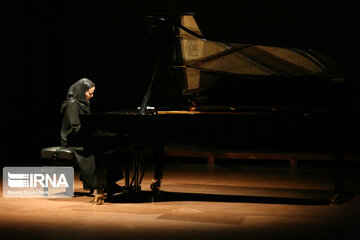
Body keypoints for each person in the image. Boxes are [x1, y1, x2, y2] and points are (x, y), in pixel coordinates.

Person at [60, 78, 122, 203]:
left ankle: (108, 183)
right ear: (82, 91)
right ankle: (95, 186)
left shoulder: (82, 102)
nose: (92, 96)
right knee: (93, 152)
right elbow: (75, 126)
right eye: (90, 93)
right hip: (72, 139)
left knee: (109, 150)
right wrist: (90, 137)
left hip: (80, 137)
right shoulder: (72, 104)